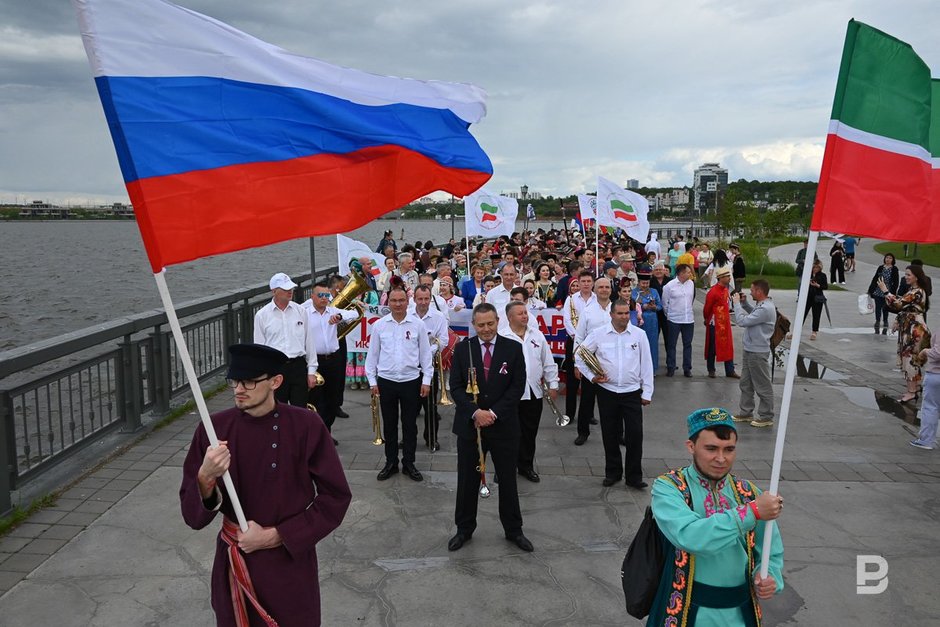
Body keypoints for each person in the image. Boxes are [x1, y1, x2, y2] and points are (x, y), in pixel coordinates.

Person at [180, 343, 352, 627]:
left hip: (289, 567)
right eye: (235, 381)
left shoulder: (306, 425)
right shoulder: (214, 430)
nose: (239, 389)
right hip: (235, 563)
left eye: (249, 381)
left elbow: (335, 497)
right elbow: (192, 517)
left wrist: (277, 536)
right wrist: (205, 477)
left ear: (275, 382)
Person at [648, 407, 784, 626]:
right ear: (691, 446)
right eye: (711, 448)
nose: (721, 458)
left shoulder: (748, 493)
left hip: (740, 612)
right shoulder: (669, 488)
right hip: (685, 611)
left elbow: (771, 550)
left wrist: (769, 576)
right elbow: (690, 537)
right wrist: (751, 512)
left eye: (729, 449)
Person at [448, 303, 533, 553]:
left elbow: (517, 386)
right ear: (473, 325)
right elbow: (455, 387)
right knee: (467, 480)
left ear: (498, 321)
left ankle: (514, 530)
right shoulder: (464, 349)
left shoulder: (513, 348)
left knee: (508, 480)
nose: (486, 329)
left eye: (490, 324)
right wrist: (476, 412)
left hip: (504, 426)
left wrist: (493, 414)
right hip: (470, 426)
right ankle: (463, 529)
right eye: (481, 325)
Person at [576, 299, 653, 488]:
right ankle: (613, 473)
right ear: (611, 314)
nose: (624, 317)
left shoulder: (639, 335)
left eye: (627, 313)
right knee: (609, 434)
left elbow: (647, 364)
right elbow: (580, 355)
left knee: (635, 435)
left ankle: (634, 476)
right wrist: (592, 376)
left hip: (632, 392)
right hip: (607, 392)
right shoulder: (599, 334)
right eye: (620, 313)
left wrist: (647, 392)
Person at [365, 286, 433, 482]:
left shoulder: (417, 324)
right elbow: (373, 355)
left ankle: (409, 462)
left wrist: (426, 380)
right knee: (390, 424)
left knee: (410, 425)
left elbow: (425, 355)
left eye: (401, 300)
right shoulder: (379, 325)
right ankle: (391, 462)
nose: (397, 304)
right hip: (386, 381)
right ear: (388, 302)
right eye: (394, 301)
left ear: (407, 301)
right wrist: (372, 381)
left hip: (411, 380)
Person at [499, 301, 559, 482]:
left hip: (533, 392)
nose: (525, 316)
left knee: (529, 431)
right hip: (509, 393)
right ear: (510, 317)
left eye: (525, 313)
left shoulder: (537, 335)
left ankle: (526, 466)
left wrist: (553, 384)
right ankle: (506, 466)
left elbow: (547, 361)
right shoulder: (502, 337)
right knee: (509, 432)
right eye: (520, 314)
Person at [304, 279, 359, 440]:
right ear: (312, 297)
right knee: (316, 400)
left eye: (327, 295)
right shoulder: (304, 313)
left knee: (333, 400)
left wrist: (340, 315)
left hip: (333, 360)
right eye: (320, 295)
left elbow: (355, 313)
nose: (324, 298)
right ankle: (318, 434)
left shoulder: (332, 310)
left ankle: (326, 431)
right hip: (314, 362)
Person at [253, 272, 312, 407]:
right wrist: (262, 376)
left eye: (290, 288)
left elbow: (309, 341)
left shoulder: (301, 311)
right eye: (285, 289)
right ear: (274, 291)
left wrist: (312, 371)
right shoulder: (262, 315)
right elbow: (259, 348)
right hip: (276, 368)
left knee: (300, 409)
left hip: (298, 366)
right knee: (276, 409)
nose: (289, 291)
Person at [573, 277, 615, 445]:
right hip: (591, 361)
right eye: (601, 287)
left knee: (614, 401)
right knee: (587, 399)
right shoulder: (588, 311)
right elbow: (579, 337)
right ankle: (583, 432)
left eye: (607, 287)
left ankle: (617, 433)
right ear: (595, 290)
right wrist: (577, 363)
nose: (604, 290)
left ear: (611, 289)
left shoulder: (617, 308)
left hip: (612, 361)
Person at [732, 280, 777, 428]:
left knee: (762, 385)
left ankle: (766, 416)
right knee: (746, 383)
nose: (749, 292)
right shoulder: (762, 306)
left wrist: (737, 304)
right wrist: (745, 304)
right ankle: (746, 412)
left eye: (752, 290)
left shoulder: (765, 308)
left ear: (759, 291)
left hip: (758, 352)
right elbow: (754, 315)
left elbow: (742, 321)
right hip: (750, 349)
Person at [885, 265, 930, 403]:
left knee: (911, 359)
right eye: (905, 274)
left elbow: (898, 304)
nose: (906, 277)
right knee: (911, 359)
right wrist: (898, 320)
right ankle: (914, 388)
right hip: (910, 327)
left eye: (908, 274)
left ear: (916, 276)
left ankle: (911, 392)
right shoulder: (913, 290)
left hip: (914, 330)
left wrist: (886, 291)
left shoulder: (917, 291)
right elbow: (904, 308)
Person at [412, 285, 450, 450]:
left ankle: (431, 438)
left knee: (430, 407)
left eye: (426, 299)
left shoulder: (438, 316)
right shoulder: (407, 314)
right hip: (410, 366)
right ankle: (409, 438)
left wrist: (428, 351)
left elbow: (444, 340)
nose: (423, 302)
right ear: (414, 299)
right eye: (420, 299)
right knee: (409, 407)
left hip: (429, 366)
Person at [562, 270, 597, 442]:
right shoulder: (571, 299)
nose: (585, 284)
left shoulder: (597, 300)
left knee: (590, 381)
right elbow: (567, 320)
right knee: (572, 380)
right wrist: (578, 337)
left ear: (592, 283)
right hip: (574, 341)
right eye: (582, 281)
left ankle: (588, 414)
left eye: (588, 281)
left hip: (593, 345)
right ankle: (569, 412)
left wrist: (588, 341)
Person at [703, 266, 739, 378]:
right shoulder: (713, 292)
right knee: (712, 347)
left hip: (725, 323)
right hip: (715, 324)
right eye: (727, 276)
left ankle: (730, 370)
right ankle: (711, 369)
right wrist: (707, 319)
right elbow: (707, 308)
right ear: (721, 278)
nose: (729, 278)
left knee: (728, 346)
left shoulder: (726, 290)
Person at [662, 264, 696, 377]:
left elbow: (691, 299)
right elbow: (665, 304)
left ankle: (687, 368)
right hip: (674, 320)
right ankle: (671, 367)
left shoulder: (691, 284)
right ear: (681, 273)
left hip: (688, 319)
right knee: (672, 344)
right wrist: (670, 315)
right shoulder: (669, 286)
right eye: (688, 272)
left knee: (688, 344)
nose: (690, 274)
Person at [912, 331, 940, 449]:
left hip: (936, 374)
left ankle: (926, 440)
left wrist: (925, 351)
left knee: (930, 407)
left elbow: (937, 353)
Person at [631, 272, 662, 373]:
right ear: (639, 283)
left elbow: (660, 306)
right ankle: (638, 369)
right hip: (639, 321)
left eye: (647, 283)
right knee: (638, 345)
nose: (645, 285)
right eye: (643, 283)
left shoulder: (654, 291)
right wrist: (642, 307)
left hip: (652, 321)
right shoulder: (633, 292)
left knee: (652, 344)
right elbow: (631, 306)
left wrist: (654, 307)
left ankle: (652, 369)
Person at [868, 253, 899, 335]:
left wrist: (893, 292)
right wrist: (870, 289)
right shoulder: (881, 267)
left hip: (888, 291)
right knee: (878, 306)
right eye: (887, 258)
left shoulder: (894, 269)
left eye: (890, 258)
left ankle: (885, 320)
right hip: (878, 290)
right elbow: (875, 278)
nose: (888, 259)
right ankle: (877, 320)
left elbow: (896, 282)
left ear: (893, 260)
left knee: (886, 307)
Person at [802, 259, 828, 341]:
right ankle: (797, 331)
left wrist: (817, 285)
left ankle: (814, 331)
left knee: (816, 315)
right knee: (802, 313)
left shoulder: (822, 275)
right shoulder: (808, 274)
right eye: (814, 267)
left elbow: (825, 286)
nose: (815, 269)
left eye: (817, 267)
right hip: (808, 297)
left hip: (817, 297)